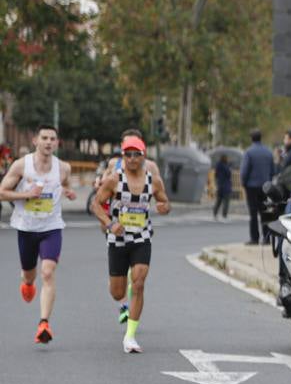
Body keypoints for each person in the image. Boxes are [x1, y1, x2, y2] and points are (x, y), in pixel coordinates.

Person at [93, 135, 171, 353]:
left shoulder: (153, 181)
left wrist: (165, 206)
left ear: (143, 156)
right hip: (118, 238)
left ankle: (130, 337)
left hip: (142, 238)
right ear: (123, 156)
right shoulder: (114, 180)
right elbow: (96, 204)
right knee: (117, 293)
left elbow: (164, 200)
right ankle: (120, 292)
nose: (132, 158)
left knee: (138, 283)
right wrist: (109, 224)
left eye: (137, 154)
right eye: (128, 154)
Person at [0, 123, 76, 343]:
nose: (49, 142)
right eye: (44, 138)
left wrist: (68, 192)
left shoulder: (63, 168)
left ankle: (44, 324)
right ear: (35, 141)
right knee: (30, 274)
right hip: (26, 227)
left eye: (52, 139)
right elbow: (2, 192)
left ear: (57, 142)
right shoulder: (21, 166)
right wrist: (26, 194)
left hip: (51, 227)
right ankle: (27, 283)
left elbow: (65, 184)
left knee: (48, 272)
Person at [241, 129, 275, 245]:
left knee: (253, 213)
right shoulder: (268, 152)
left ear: (252, 138)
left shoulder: (249, 152)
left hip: (251, 186)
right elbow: (272, 170)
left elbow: (245, 170)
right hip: (264, 186)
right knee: (265, 212)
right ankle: (266, 238)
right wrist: (268, 181)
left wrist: (244, 182)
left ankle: (254, 238)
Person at [213, 153, 233, 221]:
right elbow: (229, 174)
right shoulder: (226, 166)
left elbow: (216, 175)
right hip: (226, 186)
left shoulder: (218, 165)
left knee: (218, 201)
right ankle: (224, 215)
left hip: (220, 185)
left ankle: (215, 213)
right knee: (226, 202)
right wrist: (229, 167)